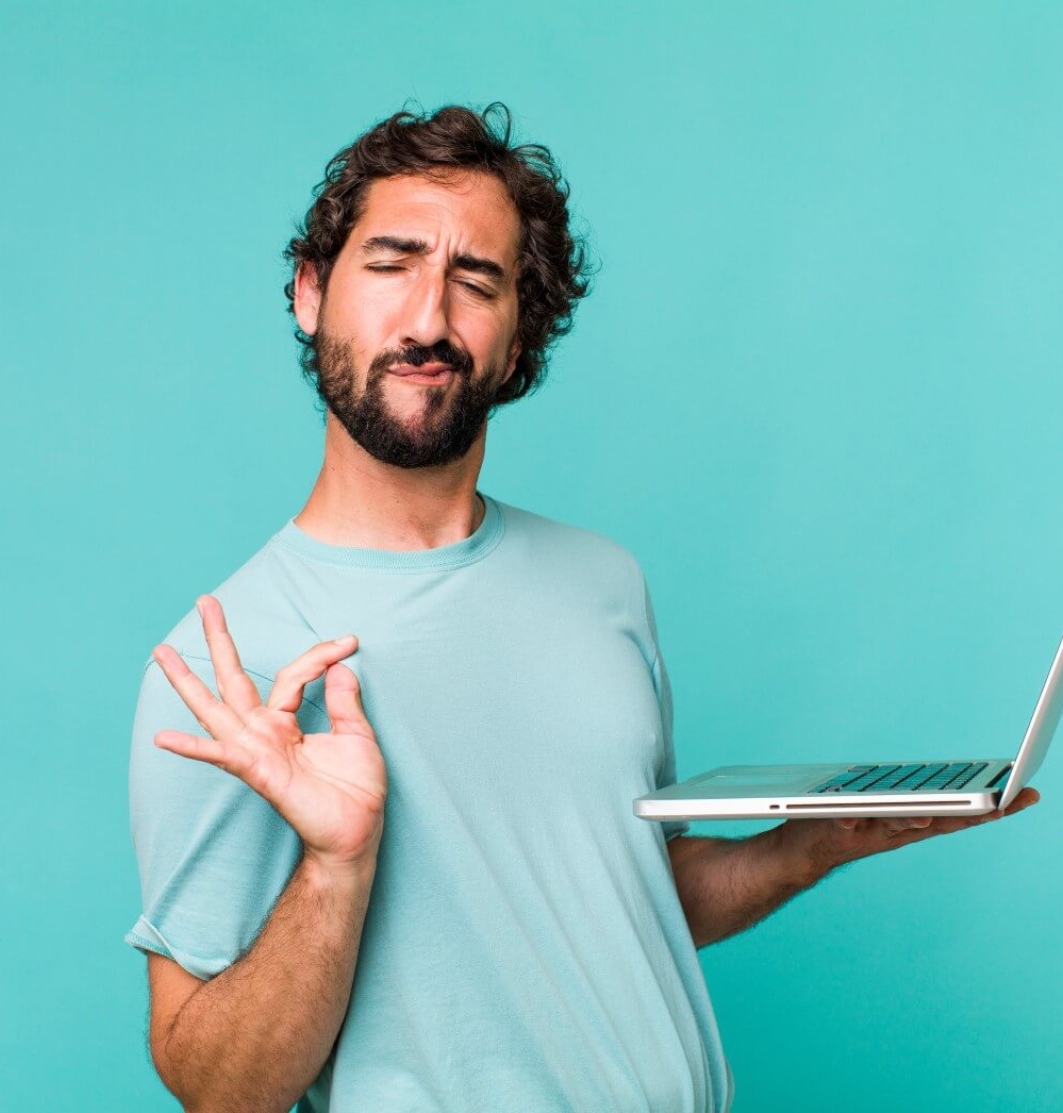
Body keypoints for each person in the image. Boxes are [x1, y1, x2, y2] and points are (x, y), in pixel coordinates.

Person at [127, 103, 1036, 1113]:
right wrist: (336, 866)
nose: (427, 320)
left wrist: (804, 848)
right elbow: (216, 1087)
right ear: (310, 293)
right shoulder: (228, 662)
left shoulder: (601, 581)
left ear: (519, 339)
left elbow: (617, 898)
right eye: (389, 265)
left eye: (476, 281)